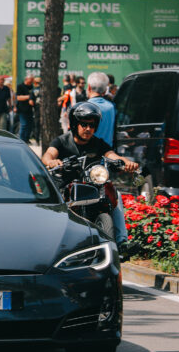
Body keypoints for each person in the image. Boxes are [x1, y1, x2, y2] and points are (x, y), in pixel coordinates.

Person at [41, 102, 138, 248]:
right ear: (75, 124)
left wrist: (126, 162)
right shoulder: (61, 141)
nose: (88, 129)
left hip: (92, 186)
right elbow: (48, 155)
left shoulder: (98, 143)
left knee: (115, 193)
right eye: (84, 124)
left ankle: (121, 242)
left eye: (92, 125)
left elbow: (112, 155)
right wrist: (51, 161)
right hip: (65, 187)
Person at [86, 72, 115, 146]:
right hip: (108, 151)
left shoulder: (85, 107)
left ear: (89, 87)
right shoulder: (111, 107)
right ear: (105, 91)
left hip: (89, 151)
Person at [15, 74, 35, 144]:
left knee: (30, 125)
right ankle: (21, 140)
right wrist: (29, 97)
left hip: (30, 109)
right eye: (31, 80)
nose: (31, 82)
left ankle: (27, 139)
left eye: (32, 80)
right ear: (26, 79)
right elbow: (18, 98)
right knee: (24, 124)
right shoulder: (20, 86)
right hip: (22, 109)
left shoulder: (31, 87)